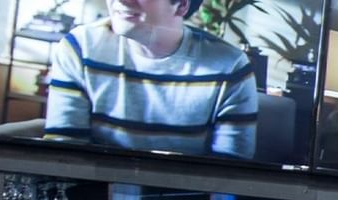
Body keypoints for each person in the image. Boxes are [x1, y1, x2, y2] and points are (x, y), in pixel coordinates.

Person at [44, 0, 258, 159]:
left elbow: (228, 175)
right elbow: (65, 157)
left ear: (182, 5)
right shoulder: (80, 48)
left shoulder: (230, 67)